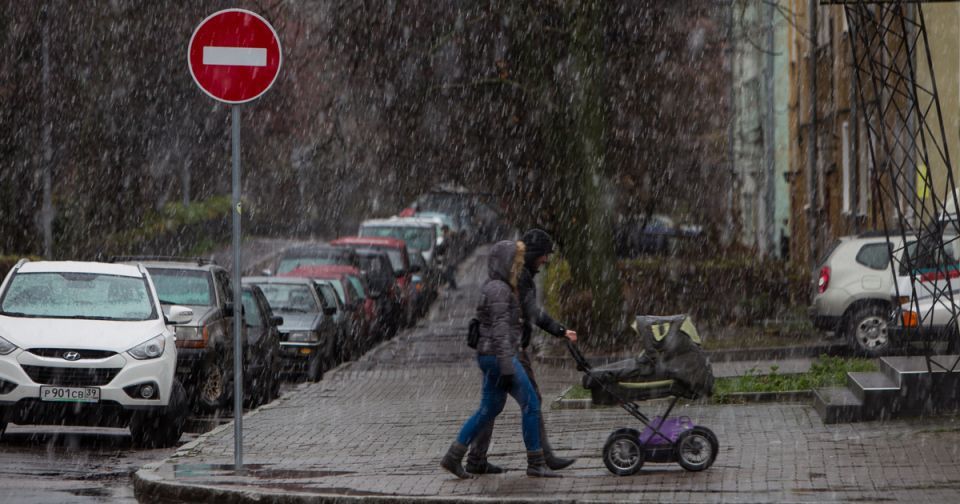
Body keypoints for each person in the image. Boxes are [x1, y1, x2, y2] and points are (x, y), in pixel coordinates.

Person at [440, 240, 560, 479]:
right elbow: (499, 331)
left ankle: (453, 457)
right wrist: (507, 367)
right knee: (531, 404)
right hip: (498, 357)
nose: (518, 266)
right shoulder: (499, 289)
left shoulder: (499, 286)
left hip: (491, 357)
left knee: (489, 409)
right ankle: (536, 463)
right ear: (506, 263)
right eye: (516, 262)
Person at [465, 228, 577, 475]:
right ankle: (540, 459)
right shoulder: (518, 277)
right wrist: (559, 330)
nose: (546, 260)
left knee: (492, 406)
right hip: (509, 350)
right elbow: (531, 313)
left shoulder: (517, 274)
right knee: (530, 402)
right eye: (544, 255)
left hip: (500, 349)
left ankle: (475, 458)